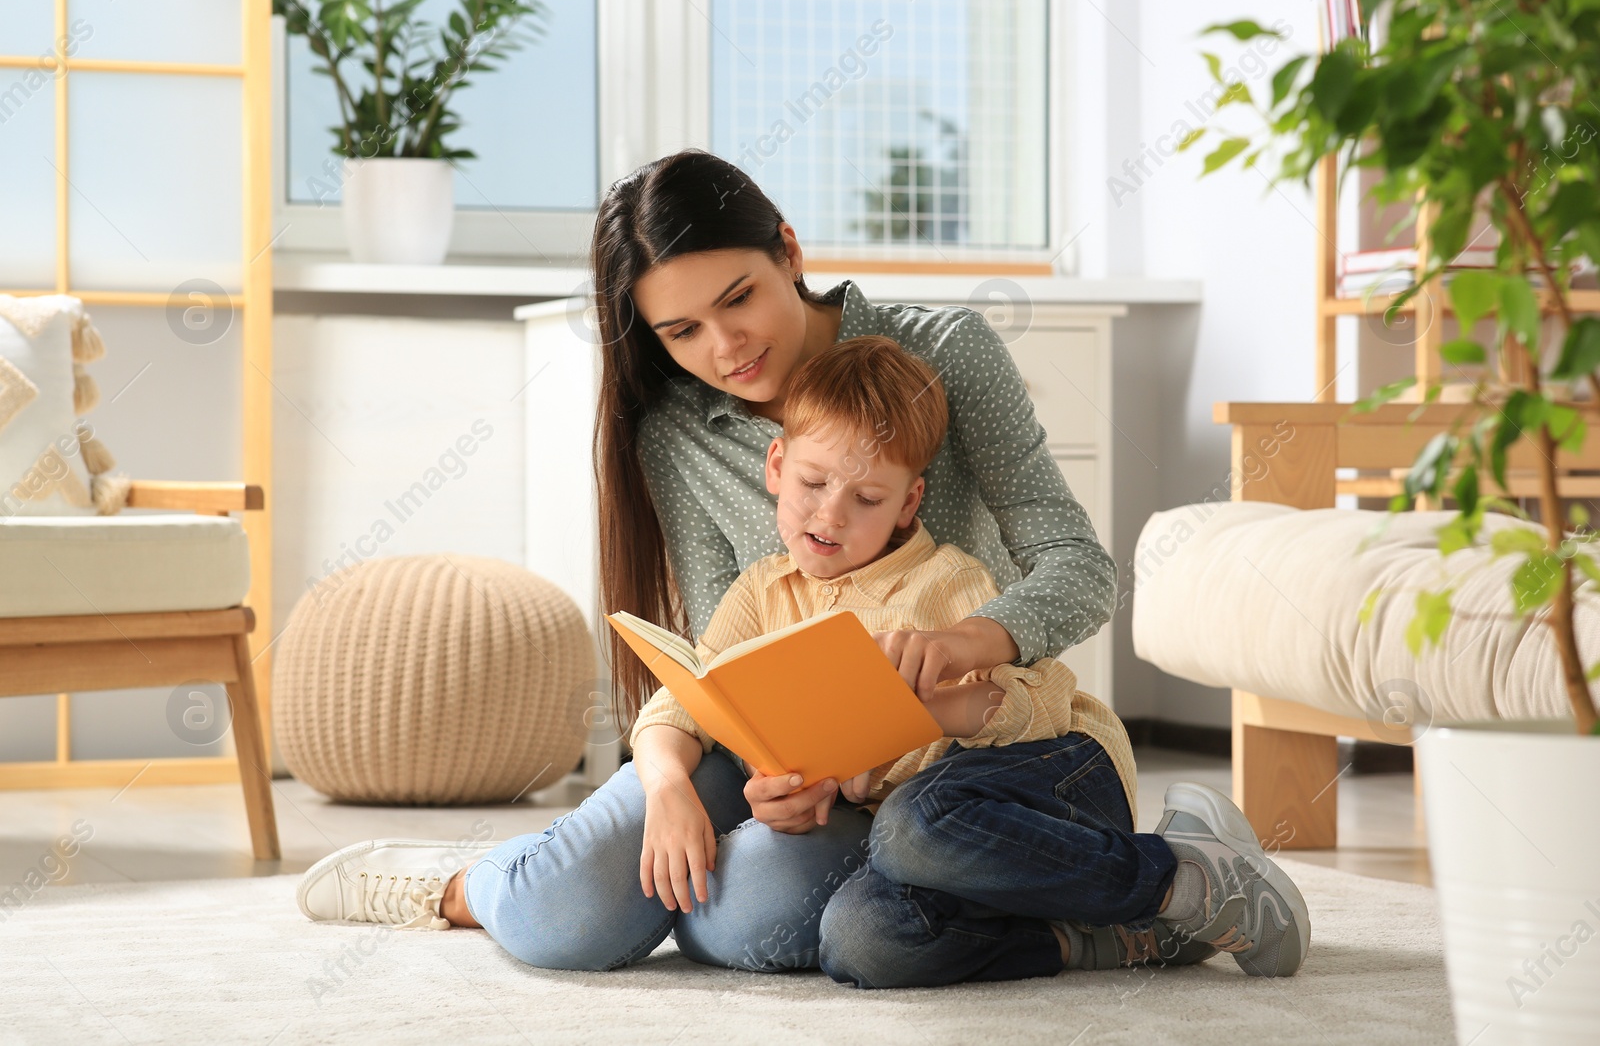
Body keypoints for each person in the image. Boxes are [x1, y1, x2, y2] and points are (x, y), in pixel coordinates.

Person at [294, 149, 1309, 984]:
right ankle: (472, 882)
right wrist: (749, 775)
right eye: (680, 329)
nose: (725, 347)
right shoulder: (678, 435)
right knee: (569, 919)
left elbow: (1080, 566)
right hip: (804, 764)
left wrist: (970, 639)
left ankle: (1165, 876)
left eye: (739, 298)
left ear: (789, 250)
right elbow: (709, 664)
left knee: (758, 924)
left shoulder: (940, 358)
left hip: (957, 757)